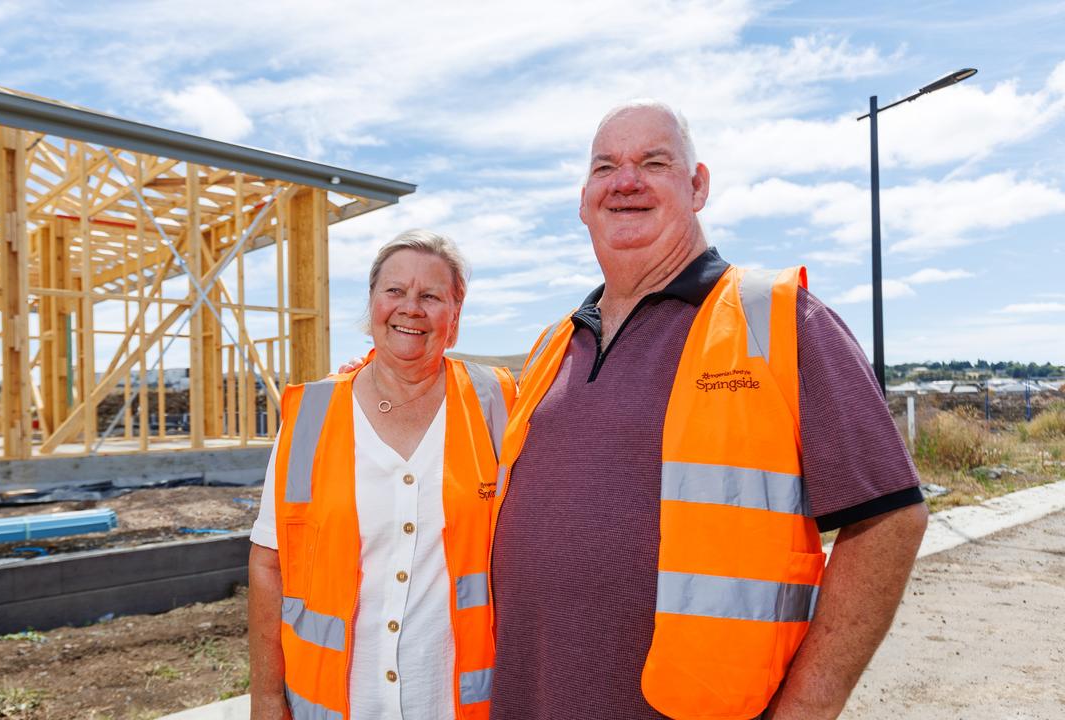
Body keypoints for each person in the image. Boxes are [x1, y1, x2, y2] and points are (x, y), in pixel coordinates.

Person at [487, 100, 929, 720]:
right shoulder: (553, 346)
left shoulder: (779, 320)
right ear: (584, 199)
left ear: (698, 187)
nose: (626, 180)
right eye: (606, 166)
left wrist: (806, 708)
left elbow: (890, 521)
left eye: (654, 162)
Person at [248, 229, 516, 720]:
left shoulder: (498, 402)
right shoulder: (312, 415)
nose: (410, 308)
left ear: (453, 321)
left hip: (458, 705)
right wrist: (266, 698)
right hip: (334, 705)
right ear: (372, 305)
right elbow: (269, 564)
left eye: (431, 296)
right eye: (394, 291)